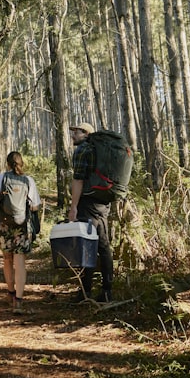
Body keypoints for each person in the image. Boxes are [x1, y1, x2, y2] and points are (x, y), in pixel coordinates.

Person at [0, 151, 41, 314]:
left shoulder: (1, 178)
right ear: (21, 163)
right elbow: (35, 205)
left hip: (4, 225)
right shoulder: (28, 180)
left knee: (7, 259)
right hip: (22, 225)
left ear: (7, 164)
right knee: (20, 262)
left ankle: (10, 293)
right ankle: (19, 300)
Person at [69, 122, 113, 303]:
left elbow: (78, 181)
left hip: (88, 204)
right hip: (103, 202)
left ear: (86, 134)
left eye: (76, 132)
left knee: (87, 245)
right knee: (103, 247)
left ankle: (85, 292)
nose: (73, 135)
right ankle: (106, 291)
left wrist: (74, 207)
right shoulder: (100, 150)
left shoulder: (83, 150)